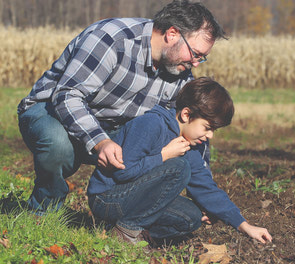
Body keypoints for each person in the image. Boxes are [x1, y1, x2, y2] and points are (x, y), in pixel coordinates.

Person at [17, 0, 225, 215]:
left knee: (163, 146)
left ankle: (119, 214)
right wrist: (100, 141)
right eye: (196, 53)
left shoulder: (181, 75)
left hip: (114, 130)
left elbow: (190, 130)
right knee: (58, 146)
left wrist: (206, 200)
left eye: (202, 58)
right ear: (172, 34)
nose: (197, 63)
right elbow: (68, 95)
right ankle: (43, 209)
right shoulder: (111, 39)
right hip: (52, 112)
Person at [87, 77, 273, 245]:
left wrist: (244, 225)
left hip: (133, 199)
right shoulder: (151, 125)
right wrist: (164, 155)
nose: (210, 136)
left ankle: (133, 234)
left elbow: (205, 186)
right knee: (179, 167)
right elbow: (122, 171)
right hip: (107, 198)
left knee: (191, 216)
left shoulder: (190, 143)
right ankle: (126, 232)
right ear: (186, 115)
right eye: (208, 127)